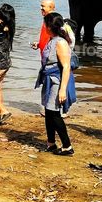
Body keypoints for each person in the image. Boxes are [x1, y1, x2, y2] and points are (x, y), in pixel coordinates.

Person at [34, 12, 76, 156]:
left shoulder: (61, 43)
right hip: (48, 80)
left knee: (54, 113)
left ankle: (67, 146)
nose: (44, 26)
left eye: (45, 24)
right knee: (48, 111)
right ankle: (51, 143)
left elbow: (66, 67)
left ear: (50, 27)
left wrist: (63, 89)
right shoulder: (52, 39)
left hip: (56, 82)